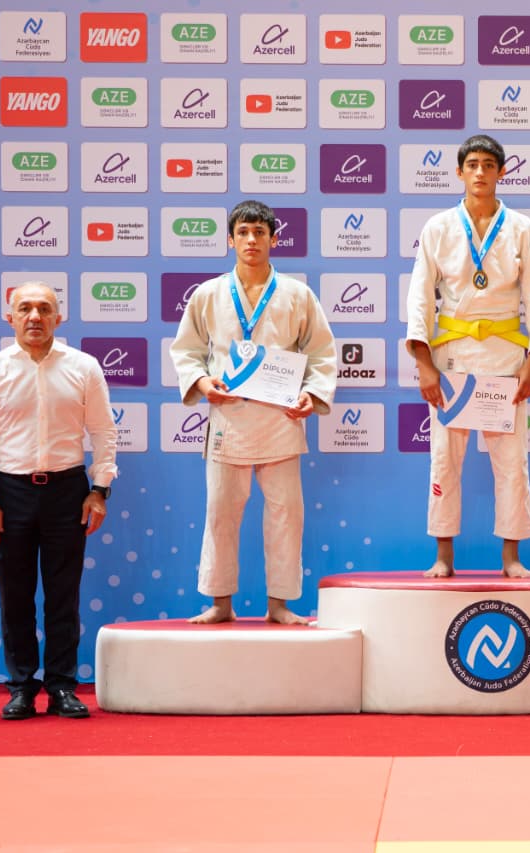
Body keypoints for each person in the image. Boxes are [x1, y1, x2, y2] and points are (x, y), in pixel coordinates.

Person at [169, 199, 336, 625]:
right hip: (229, 418)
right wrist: (202, 382)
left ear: (273, 239)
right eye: (242, 232)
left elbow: (321, 352)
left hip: (281, 418)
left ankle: (279, 604)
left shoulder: (297, 294)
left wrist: (312, 394)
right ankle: (220, 603)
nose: (251, 240)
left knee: (286, 515)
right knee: (220, 513)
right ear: (230, 240)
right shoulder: (208, 294)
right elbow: (187, 350)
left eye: (259, 232)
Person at [0, 282, 118, 719]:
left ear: (58, 318)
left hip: (68, 492)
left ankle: (62, 687)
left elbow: (104, 432)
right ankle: (21, 688)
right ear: (10, 318)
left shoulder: (83, 367)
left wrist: (99, 489)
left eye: (44, 308)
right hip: (9, 493)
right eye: (25, 308)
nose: (35, 316)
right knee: (15, 596)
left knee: (63, 595)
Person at [406, 134, 530, 579]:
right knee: (444, 460)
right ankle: (443, 555)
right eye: (472, 164)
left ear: (501, 172)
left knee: (512, 464)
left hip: (505, 357)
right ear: (459, 172)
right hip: (452, 355)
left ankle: (511, 557)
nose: (479, 172)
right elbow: (420, 298)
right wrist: (424, 364)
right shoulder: (437, 228)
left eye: (488, 165)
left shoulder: (522, 228)